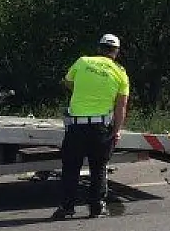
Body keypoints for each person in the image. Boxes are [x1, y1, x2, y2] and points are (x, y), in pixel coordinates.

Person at [51, 33, 130, 220]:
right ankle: (96, 207)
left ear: (99, 48)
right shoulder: (120, 73)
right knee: (98, 167)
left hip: (77, 127)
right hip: (100, 128)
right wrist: (117, 131)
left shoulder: (82, 62)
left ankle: (67, 207)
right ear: (116, 52)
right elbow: (121, 106)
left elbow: (68, 82)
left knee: (70, 168)